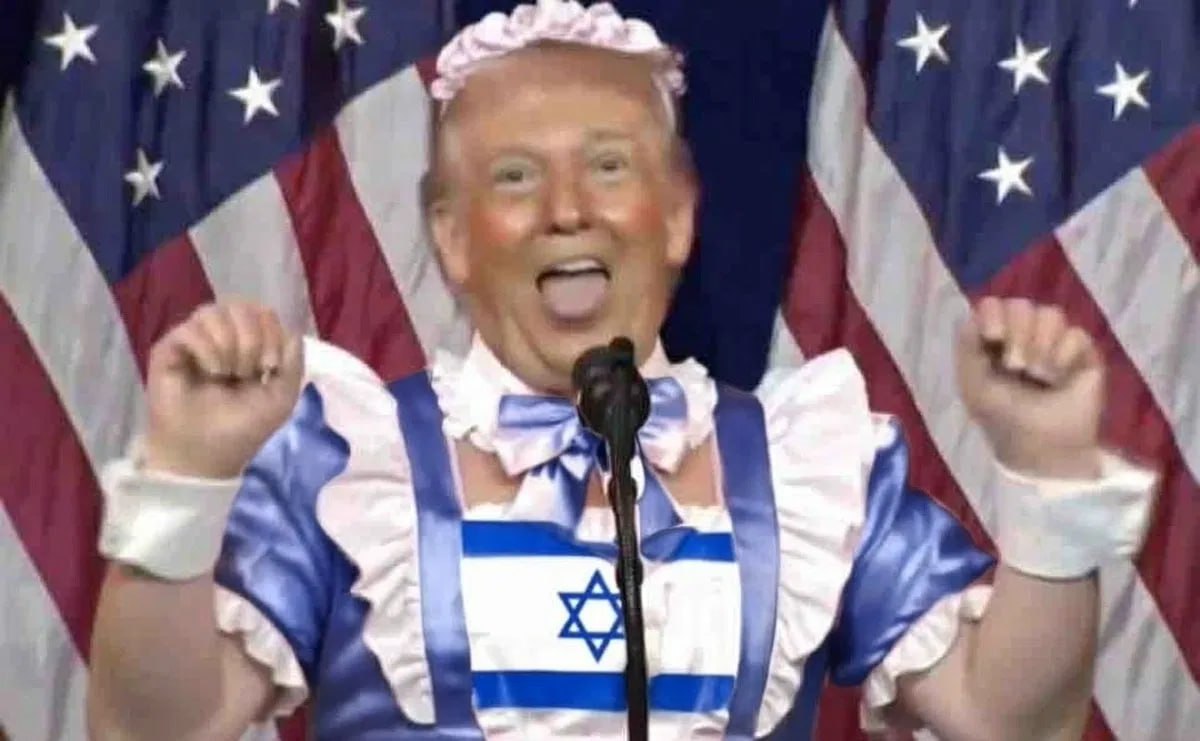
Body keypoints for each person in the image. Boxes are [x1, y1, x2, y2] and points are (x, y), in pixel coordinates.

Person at [86, 1, 1156, 739]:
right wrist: (186, 479)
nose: (568, 210)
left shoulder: (804, 467)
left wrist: (1050, 480)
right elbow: (153, 728)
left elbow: (1011, 720)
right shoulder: (349, 460)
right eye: (516, 177)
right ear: (452, 238)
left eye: (608, 165)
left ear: (678, 215)